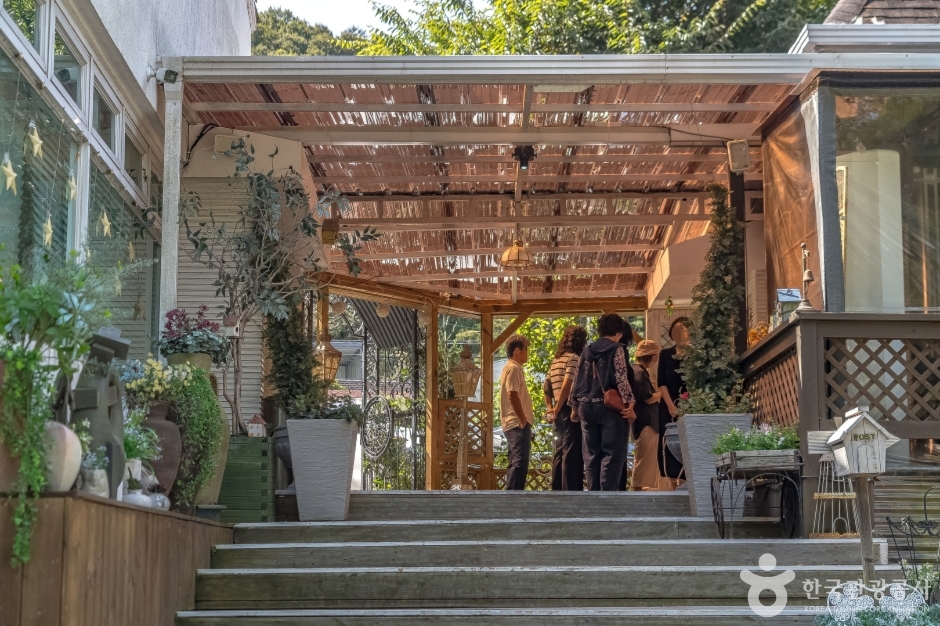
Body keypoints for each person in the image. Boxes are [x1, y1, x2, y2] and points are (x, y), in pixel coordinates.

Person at [570, 313, 636, 491]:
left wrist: (574, 405)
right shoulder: (617, 349)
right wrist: (630, 402)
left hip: (586, 406)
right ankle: (608, 496)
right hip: (608, 407)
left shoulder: (587, 350)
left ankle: (593, 495)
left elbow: (577, 379)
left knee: (591, 455)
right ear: (618, 332)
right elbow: (621, 377)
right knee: (612, 454)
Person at [545, 325, 587, 491]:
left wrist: (551, 408)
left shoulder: (556, 360)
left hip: (558, 409)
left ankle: (556, 489)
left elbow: (546, 386)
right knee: (572, 451)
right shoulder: (574, 358)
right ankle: (571, 491)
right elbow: (567, 385)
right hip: (570, 409)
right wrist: (557, 408)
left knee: (559, 450)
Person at [657, 317, 689, 487]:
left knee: (687, 442)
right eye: (677, 330)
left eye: (684, 329)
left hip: (690, 406)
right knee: (668, 441)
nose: (681, 333)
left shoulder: (696, 355)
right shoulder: (665, 354)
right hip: (668, 405)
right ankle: (673, 486)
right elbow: (661, 382)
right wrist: (670, 405)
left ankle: (687, 483)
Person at [499, 334, 533, 490]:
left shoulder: (511, 368)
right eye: (526, 348)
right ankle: (513, 497)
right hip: (516, 422)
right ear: (517, 350)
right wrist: (523, 419)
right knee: (520, 462)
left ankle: (511, 496)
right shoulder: (513, 368)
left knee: (515, 461)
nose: (528, 352)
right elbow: (512, 394)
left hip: (514, 422)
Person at [632, 340, 663, 491]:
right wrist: (660, 393)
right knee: (644, 460)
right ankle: (639, 491)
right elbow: (648, 398)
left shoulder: (635, 370)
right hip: (646, 422)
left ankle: (641, 490)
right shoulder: (640, 373)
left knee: (644, 459)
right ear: (651, 356)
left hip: (642, 422)